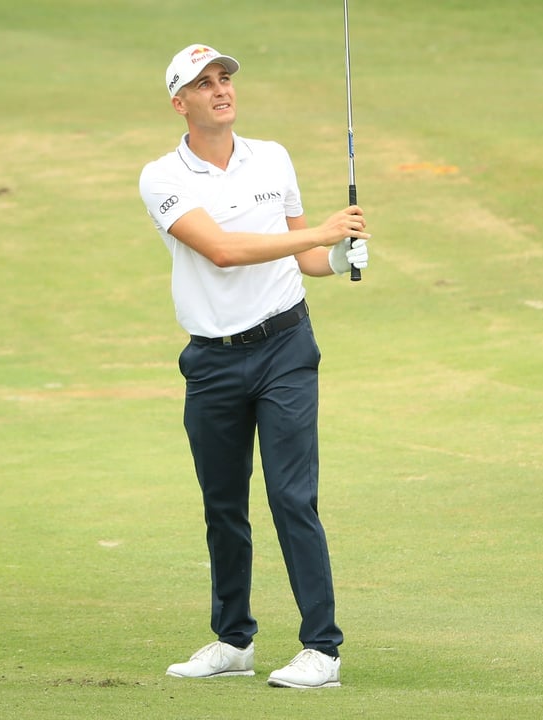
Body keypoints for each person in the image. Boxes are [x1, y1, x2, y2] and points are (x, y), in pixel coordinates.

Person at [138, 43, 370, 689]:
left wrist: (343, 256)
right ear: (180, 102)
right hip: (212, 361)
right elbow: (221, 251)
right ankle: (234, 640)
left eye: (226, 78)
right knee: (222, 505)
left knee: (292, 495)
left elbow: (304, 259)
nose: (222, 89)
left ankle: (322, 650)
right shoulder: (162, 177)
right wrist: (320, 234)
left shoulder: (273, 158)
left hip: (286, 348)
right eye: (205, 83)